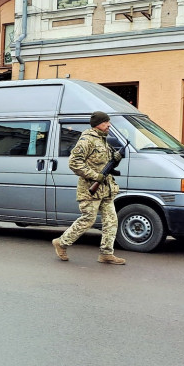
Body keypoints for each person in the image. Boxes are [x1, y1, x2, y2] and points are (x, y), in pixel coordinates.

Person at [52, 111, 125, 264]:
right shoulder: (87, 140)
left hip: (106, 189)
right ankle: (61, 242)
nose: (109, 125)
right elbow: (74, 163)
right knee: (88, 219)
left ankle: (106, 253)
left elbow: (105, 163)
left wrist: (115, 160)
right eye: (106, 122)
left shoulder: (103, 140)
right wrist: (94, 176)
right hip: (90, 189)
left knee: (111, 221)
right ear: (98, 124)